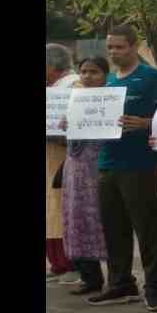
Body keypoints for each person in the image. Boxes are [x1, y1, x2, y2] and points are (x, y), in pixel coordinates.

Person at [87, 25, 157, 311]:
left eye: (119, 47)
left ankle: (156, 288)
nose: (113, 52)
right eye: (110, 48)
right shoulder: (108, 80)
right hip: (108, 163)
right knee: (113, 229)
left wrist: (147, 124)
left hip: (140, 164)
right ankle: (121, 283)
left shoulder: (151, 77)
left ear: (134, 46)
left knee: (147, 229)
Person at [61, 57, 111, 295]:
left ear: (105, 75)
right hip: (75, 167)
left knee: (103, 222)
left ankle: (118, 280)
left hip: (98, 167)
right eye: (84, 72)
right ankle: (89, 277)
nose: (88, 76)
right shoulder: (74, 98)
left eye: (95, 72)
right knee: (76, 218)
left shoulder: (111, 98)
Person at [46, 43, 81, 284]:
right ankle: (58, 264)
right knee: (52, 211)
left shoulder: (74, 85)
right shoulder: (54, 87)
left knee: (61, 211)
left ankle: (70, 265)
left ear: (50, 67)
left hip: (65, 156)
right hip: (51, 157)